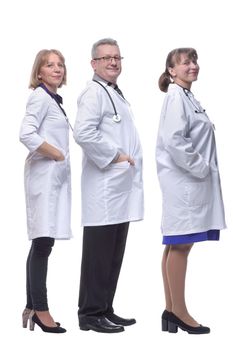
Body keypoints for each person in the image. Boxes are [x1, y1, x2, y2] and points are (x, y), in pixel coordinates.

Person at [73, 38, 144, 333]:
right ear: (94, 64)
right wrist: (116, 155)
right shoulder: (93, 92)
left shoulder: (113, 92)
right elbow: (83, 133)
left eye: (117, 57)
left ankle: (105, 308)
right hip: (104, 188)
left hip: (119, 188)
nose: (113, 62)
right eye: (106, 58)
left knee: (114, 252)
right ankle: (89, 313)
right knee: (99, 254)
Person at [156, 48, 226, 334]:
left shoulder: (187, 97)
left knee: (176, 244)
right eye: (185, 62)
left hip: (188, 184)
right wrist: (200, 168)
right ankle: (181, 313)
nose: (192, 66)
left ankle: (171, 310)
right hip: (185, 184)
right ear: (171, 71)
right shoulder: (175, 98)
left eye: (194, 61)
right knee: (181, 245)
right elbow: (174, 141)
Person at [20, 49, 72, 333]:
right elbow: (26, 133)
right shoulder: (39, 96)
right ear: (39, 73)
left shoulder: (52, 99)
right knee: (42, 243)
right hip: (43, 178)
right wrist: (56, 154)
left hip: (51, 179)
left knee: (41, 242)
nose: (57, 69)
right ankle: (41, 310)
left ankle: (31, 306)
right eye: (50, 65)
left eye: (60, 64)